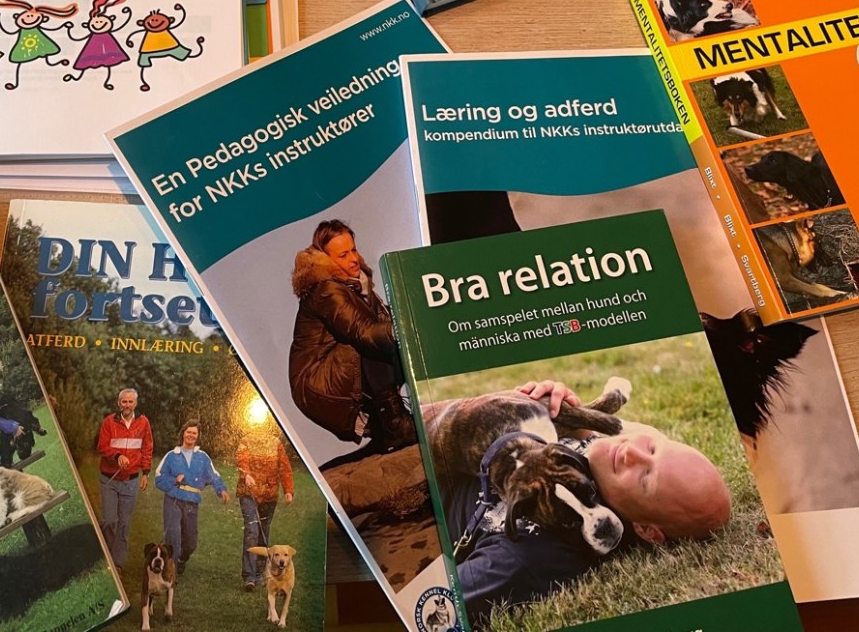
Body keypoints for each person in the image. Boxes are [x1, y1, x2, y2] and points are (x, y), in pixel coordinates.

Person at [447, 380, 732, 620]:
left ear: (646, 530)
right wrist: (544, 409)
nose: (632, 451)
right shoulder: (599, 463)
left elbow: (434, 602)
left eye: (645, 478)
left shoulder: (527, 559)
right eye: (652, 447)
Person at [289, 219, 416, 454]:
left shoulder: (357, 284)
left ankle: (387, 424)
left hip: (339, 369)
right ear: (327, 260)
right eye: (343, 255)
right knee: (369, 339)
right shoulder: (326, 289)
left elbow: (384, 323)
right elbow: (364, 332)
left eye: (353, 250)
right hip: (316, 381)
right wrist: (406, 327)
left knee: (390, 334)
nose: (354, 259)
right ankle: (395, 422)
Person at [154, 419, 230, 577]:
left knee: (190, 542)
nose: (191, 435)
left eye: (194, 433)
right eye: (188, 432)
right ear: (183, 433)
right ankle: (171, 572)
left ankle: (181, 559)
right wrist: (174, 480)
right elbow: (159, 478)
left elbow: (214, 476)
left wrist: (221, 490)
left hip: (192, 502)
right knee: (173, 537)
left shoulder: (202, 457)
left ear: (198, 436)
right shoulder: (172, 455)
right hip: (173, 499)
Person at [96, 387, 153, 570]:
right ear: (119, 403)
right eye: (124, 401)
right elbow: (101, 446)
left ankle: (117, 564)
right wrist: (117, 456)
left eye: (130, 401)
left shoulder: (143, 422)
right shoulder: (109, 421)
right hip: (110, 479)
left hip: (130, 480)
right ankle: (103, 555)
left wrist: (145, 472)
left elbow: (147, 448)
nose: (127, 405)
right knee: (109, 520)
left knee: (124, 524)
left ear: (135, 403)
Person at [236, 429, 294, 592]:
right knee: (252, 531)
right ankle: (249, 576)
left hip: (269, 496)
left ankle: (260, 573)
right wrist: (246, 475)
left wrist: (288, 490)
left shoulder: (276, 443)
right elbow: (241, 460)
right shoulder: (246, 440)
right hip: (249, 493)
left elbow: (285, 467)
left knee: (263, 534)